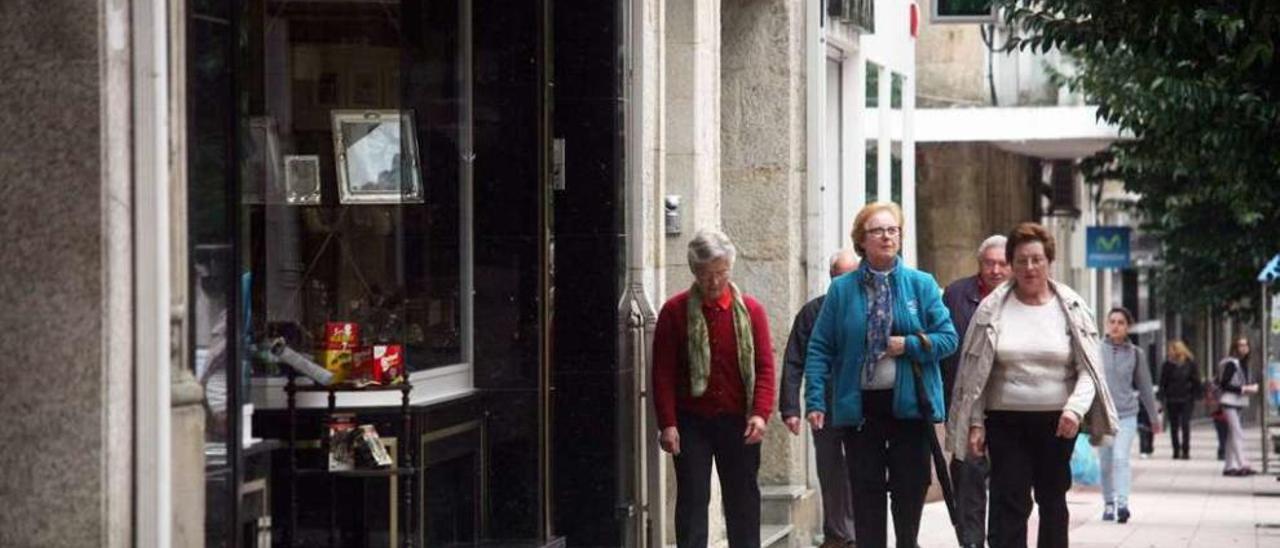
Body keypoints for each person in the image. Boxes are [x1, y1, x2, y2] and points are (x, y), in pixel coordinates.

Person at [946, 222, 1119, 548]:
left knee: (1052, 499)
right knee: (1010, 500)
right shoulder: (991, 309)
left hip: (1058, 421)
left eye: (1036, 259)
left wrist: (1074, 409)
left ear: (1048, 261)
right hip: (1005, 419)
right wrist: (975, 422)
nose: (1029, 268)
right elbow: (976, 374)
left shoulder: (1072, 307)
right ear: (1012, 264)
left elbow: (1090, 371)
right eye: (1022, 260)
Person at [804, 202, 958, 548]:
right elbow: (820, 348)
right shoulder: (843, 290)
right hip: (861, 408)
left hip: (910, 406)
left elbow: (948, 338)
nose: (887, 236)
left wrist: (908, 345)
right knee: (865, 493)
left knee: (910, 488)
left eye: (893, 230)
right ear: (862, 239)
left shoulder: (921, 284)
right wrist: (815, 399)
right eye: (878, 231)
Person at [652, 229, 776, 548]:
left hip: (739, 421)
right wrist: (668, 423)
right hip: (692, 422)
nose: (715, 282)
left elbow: (764, 368)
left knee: (743, 500)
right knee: (693, 498)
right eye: (707, 275)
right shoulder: (674, 312)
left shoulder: (751, 312)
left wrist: (760, 415)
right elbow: (662, 373)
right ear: (695, 272)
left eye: (721, 273)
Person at [780, 250, 860, 548]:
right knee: (829, 469)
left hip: (860, 406)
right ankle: (838, 534)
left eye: (850, 277)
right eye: (839, 278)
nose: (845, 284)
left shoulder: (869, 309)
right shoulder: (812, 313)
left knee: (859, 469)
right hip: (822, 406)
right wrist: (790, 408)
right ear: (831, 278)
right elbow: (793, 361)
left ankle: (856, 532)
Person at [941, 234, 1010, 548]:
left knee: (1007, 486)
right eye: (989, 263)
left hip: (1008, 407)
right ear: (979, 264)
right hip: (967, 406)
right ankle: (970, 543)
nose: (996, 270)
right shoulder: (956, 295)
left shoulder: (1020, 297)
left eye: (1002, 263)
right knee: (967, 481)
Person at [1097, 307, 1161, 524]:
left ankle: (1123, 504)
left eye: (1120, 322)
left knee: (1120, 457)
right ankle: (1108, 503)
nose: (1115, 326)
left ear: (1127, 327)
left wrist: (1154, 418)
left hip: (1127, 415)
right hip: (1102, 417)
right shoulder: (1096, 350)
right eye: (1112, 321)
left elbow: (1144, 387)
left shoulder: (1136, 354)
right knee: (1105, 463)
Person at [1218, 336, 1260, 477]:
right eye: (1240, 345)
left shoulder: (1245, 364)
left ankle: (1229, 466)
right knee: (1237, 432)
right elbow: (1224, 384)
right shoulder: (1232, 363)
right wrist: (1244, 389)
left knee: (1232, 434)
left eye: (1245, 345)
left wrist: (1248, 388)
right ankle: (1242, 463)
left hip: (1238, 402)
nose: (1243, 348)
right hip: (1229, 401)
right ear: (1235, 348)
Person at [1159, 340, 1202, 460]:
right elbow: (1163, 382)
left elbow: (1196, 380)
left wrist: (1197, 394)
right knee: (1173, 425)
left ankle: (1186, 450)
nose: (1170, 352)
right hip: (1172, 398)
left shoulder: (1190, 363)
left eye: (1172, 350)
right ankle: (1176, 450)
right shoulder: (1167, 365)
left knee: (1185, 424)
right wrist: (1162, 397)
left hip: (1186, 398)